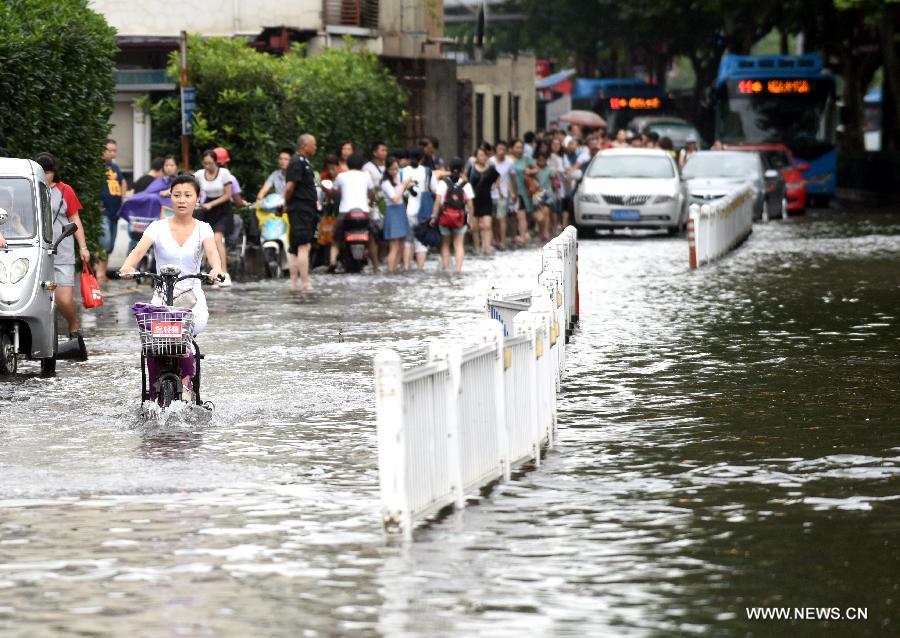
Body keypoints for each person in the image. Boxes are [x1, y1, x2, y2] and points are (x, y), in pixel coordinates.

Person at [119, 174, 224, 399]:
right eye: (177, 195)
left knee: (182, 337)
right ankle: (152, 393)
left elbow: (214, 255)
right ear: (170, 197)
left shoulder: (203, 228)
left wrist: (216, 270)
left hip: (192, 299)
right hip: (161, 298)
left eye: (188, 195)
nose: (182, 200)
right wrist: (128, 266)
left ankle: (187, 382)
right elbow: (139, 251)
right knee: (152, 343)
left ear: (197, 199)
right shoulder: (157, 227)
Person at [32, 154, 90, 341]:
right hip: (37, 252)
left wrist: (83, 247)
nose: (45, 175)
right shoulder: (30, 188)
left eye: (48, 172)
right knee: (41, 297)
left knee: (63, 298)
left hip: (62, 251)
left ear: (54, 172)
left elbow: (75, 219)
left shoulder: (66, 190)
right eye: (42, 171)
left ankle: (74, 326)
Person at [329, 152, 378, 273]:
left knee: (335, 240)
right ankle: (376, 267)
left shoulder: (341, 176)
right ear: (362, 164)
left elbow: (333, 191)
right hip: (363, 214)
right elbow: (372, 193)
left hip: (345, 214)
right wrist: (369, 204)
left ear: (348, 164)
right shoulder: (366, 176)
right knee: (371, 239)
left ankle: (332, 262)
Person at [193, 149, 234, 287]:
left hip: (223, 209)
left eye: (210, 163)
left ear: (216, 162)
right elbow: (189, 185)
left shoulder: (224, 173)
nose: (207, 166)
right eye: (205, 163)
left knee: (217, 238)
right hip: (207, 210)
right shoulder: (199, 174)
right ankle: (212, 273)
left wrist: (211, 204)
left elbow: (228, 195)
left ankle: (224, 273)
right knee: (206, 240)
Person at [283, 133, 318, 292]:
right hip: (299, 208)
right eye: (313, 144)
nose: (315, 147)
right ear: (304, 146)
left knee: (296, 246)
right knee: (302, 245)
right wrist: (286, 203)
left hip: (305, 209)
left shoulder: (305, 162)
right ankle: (304, 282)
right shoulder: (296, 162)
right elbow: (290, 187)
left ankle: (294, 283)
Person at [430, 158, 473, 273]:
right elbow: (470, 206)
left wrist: (434, 217)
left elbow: (438, 202)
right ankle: (458, 270)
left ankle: (445, 267)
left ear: (448, 169)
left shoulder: (443, 183)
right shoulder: (466, 185)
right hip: (460, 219)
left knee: (445, 244)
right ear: (463, 170)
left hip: (445, 218)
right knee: (459, 245)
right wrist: (470, 221)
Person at [400, 149, 434, 271]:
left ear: (409, 159)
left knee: (408, 240)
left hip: (409, 210)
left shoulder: (403, 172)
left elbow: (401, 192)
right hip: (424, 212)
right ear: (422, 159)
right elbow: (434, 190)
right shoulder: (427, 171)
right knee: (421, 242)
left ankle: (406, 266)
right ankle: (420, 269)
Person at [97, 138, 126, 284]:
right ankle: (99, 273)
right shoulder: (97, 166)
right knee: (105, 243)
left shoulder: (115, 167)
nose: (113, 153)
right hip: (103, 212)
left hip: (115, 211)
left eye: (115, 150)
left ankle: (102, 272)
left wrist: (123, 202)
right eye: (110, 150)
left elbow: (122, 183)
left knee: (110, 245)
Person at [381, 157, 412, 273]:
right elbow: (394, 198)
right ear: (387, 169)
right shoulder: (385, 183)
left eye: (396, 169)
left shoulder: (398, 178)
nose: (395, 171)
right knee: (394, 246)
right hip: (392, 211)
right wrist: (403, 186)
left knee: (401, 244)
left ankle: (394, 270)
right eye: (392, 169)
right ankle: (390, 271)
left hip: (400, 210)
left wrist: (405, 186)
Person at [467, 146, 499, 255]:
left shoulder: (490, 169)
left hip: (486, 200)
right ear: (475, 157)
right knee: (475, 227)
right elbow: (466, 180)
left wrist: (495, 186)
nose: (482, 157)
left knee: (487, 225)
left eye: (484, 155)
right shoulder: (471, 169)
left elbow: (498, 177)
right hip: (474, 200)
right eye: (480, 155)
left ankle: (487, 247)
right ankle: (476, 247)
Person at [490, 140, 516, 251]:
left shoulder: (510, 162)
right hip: (491, 193)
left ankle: (503, 241)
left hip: (503, 194)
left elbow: (512, 178)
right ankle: (495, 239)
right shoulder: (490, 162)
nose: (502, 151)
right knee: (493, 219)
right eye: (499, 149)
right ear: (495, 150)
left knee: (502, 218)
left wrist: (513, 192)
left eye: (504, 149)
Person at [510, 139, 537, 245]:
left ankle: (522, 235)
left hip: (523, 190)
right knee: (512, 216)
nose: (519, 150)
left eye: (521, 147)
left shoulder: (526, 159)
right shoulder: (509, 160)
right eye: (517, 147)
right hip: (510, 190)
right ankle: (514, 236)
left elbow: (536, 168)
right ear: (512, 148)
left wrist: (530, 171)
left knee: (522, 214)